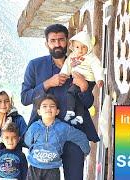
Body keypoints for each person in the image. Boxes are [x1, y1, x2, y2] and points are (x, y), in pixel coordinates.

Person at [21, 24, 99, 180]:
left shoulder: (83, 64)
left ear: (67, 41)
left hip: (73, 132)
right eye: (53, 40)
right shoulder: (35, 66)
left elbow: (88, 103)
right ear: (46, 43)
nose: (57, 44)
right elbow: (25, 98)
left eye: (61, 40)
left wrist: (84, 86)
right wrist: (47, 84)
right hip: (44, 137)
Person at [24, 94, 90, 180]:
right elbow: (27, 141)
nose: (48, 108)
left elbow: (80, 137)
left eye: (52, 106)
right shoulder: (34, 127)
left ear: (57, 111)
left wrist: (86, 150)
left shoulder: (63, 128)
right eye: (44, 106)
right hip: (34, 167)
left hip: (52, 169)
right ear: (39, 112)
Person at [60, 31, 104, 125]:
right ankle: (79, 116)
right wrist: (63, 74)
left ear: (88, 46)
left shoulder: (91, 58)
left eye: (83, 47)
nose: (80, 50)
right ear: (73, 46)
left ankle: (70, 111)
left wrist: (99, 79)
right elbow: (67, 66)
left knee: (71, 92)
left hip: (88, 80)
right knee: (79, 98)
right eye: (77, 47)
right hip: (77, 79)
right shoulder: (72, 56)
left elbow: (97, 68)